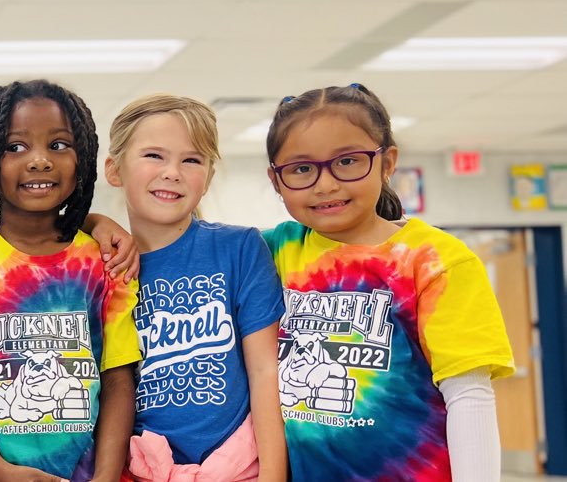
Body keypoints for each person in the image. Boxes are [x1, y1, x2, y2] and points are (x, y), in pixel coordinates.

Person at [263, 83, 514, 481]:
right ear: (276, 181)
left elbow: (469, 395)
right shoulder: (271, 251)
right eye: (301, 169)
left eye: (347, 161)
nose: (325, 184)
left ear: (387, 162)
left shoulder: (435, 260)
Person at [0, 80, 139, 482]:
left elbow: (117, 380)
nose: (40, 160)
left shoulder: (103, 260)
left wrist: (105, 479)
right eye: (15, 147)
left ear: (85, 159)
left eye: (59, 145)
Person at [103, 94, 285, 482]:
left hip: (241, 468)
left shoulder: (239, 248)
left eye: (192, 160)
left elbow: (265, 370)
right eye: (154, 155)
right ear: (114, 170)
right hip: (141, 470)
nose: (172, 172)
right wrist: (92, 222)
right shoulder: (102, 265)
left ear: (209, 178)